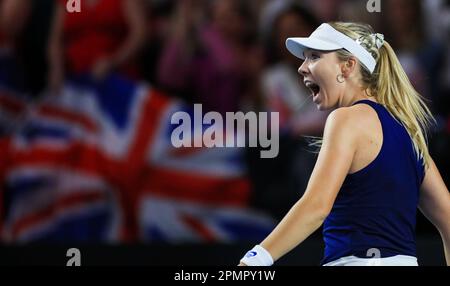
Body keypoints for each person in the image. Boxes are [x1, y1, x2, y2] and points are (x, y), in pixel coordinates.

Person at [239, 22, 450, 266]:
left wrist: (254, 260)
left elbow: (316, 207)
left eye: (315, 57)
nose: (302, 67)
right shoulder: (410, 133)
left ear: (348, 66)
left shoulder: (344, 120)